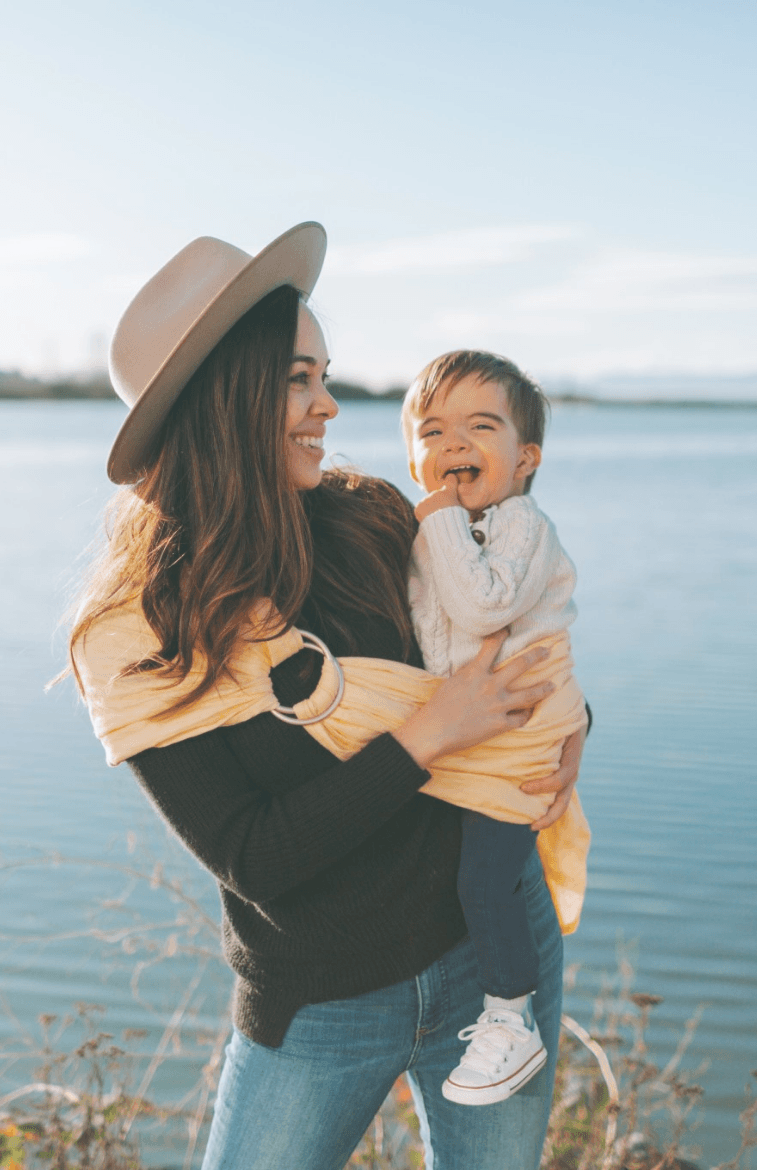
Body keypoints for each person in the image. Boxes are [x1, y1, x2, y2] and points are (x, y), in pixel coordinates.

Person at [64, 222, 582, 1170]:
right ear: (228, 396)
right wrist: (427, 735)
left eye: (323, 375)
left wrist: (576, 725)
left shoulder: (373, 521)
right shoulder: (139, 636)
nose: (329, 405)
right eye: (299, 380)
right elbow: (256, 856)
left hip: (495, 963)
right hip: (321, 1004)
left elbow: (513, 643)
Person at [403, 351, 586, 1107]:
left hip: (519, 736)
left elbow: (483, 609)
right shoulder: (438, 526)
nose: (453, 445)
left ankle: (513, 1019)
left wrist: (439, 519)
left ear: (526, 457)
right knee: (464, 869)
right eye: (432, 429)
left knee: (485, 874)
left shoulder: (521, 525)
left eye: (481, 427)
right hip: (475, 733)